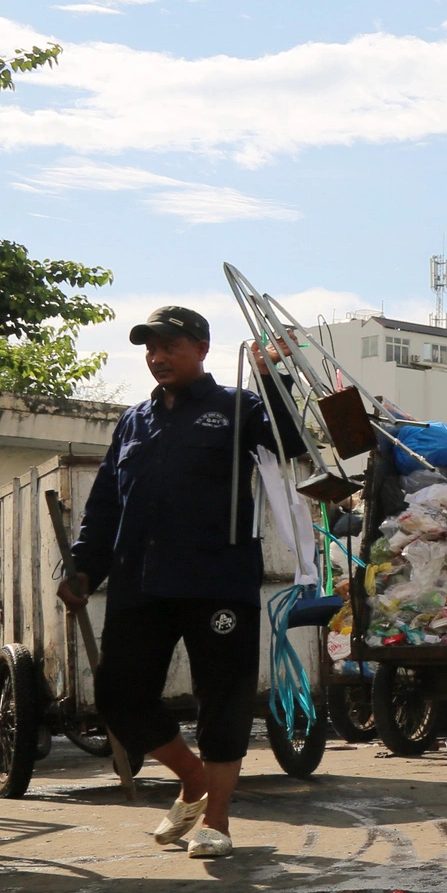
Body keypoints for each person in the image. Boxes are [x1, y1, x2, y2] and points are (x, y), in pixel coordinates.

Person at [60, 306, 301, 858]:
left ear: (201, 349)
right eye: (150, 348)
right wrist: (84, 566)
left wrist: (274, 375)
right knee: (118, 694)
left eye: (170, 346)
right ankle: (193, 780)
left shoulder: (238, 407)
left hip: (219, 579)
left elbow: (293, 445)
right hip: (141, 582)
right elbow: (104, 503)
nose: (158, 357)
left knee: (223, 697)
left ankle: (216, 821)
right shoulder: (133, 421)